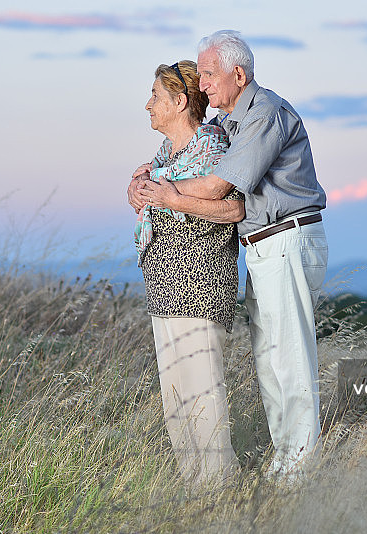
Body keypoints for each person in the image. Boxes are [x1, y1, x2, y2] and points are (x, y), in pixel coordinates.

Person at [131, 31, 329, 482]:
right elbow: (185, 164)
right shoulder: (234, 123)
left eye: (208, 73)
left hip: (286, 239)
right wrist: (146, 183)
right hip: (263, 245)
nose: (202, 84)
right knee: (270, 360)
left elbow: (223, 185)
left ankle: (299, 472)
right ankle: (285, 465)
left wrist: (163, 193)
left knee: (289, 360)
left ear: (238, 74)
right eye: (199, 74)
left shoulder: (264, 114)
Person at [128, 60, 245, 488]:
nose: (148, 105)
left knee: (202, 392)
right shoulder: (166, 157)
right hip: (165, 288)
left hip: (199, 287)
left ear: (179, 102)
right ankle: (196, 488)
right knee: (175, 397)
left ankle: (220, 487)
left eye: (156, 97)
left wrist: (168, 197)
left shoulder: (211, 149)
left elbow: (233, 209)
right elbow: (153, 190)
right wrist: (140, 190)